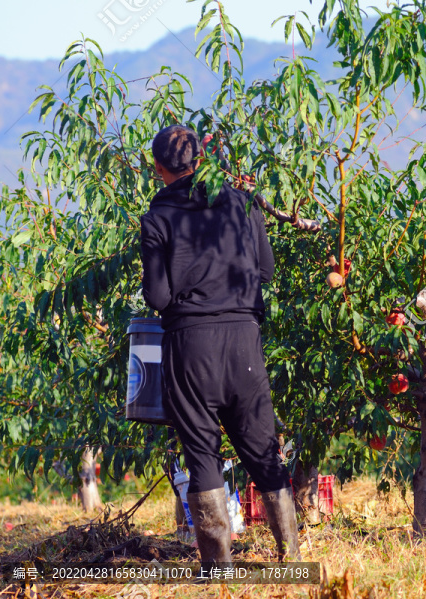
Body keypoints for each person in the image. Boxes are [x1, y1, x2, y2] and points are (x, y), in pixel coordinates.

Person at [139, 124, 299, 565]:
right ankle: (291, 554)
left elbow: (155, 297)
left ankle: (218, 567)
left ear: (159, 169)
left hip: (191, 347)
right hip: (244, 342)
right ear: (199, 160)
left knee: (202, 452)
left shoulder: (157, 218)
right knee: (263, 446)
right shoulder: (241, 204)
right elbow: (264, 271)